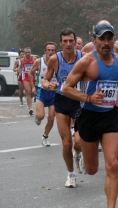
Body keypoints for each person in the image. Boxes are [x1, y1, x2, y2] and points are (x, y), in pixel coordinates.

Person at [62, 23, 118, 208]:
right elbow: (66, 89)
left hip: (110, 116)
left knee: (113, 165)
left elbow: (117, 83)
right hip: (89, 116)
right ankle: (82, 153)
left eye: (110, 38)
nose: (107, 43)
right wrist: (89, 98)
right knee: (92, 170)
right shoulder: (87, 61)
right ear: (95, 41)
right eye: (103, 39)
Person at [42, 28, 83, 188]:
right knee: (67, 143)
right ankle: (71, 174)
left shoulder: (83, 58)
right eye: (65, 41)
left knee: (78, 143)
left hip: (79, 101)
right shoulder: (55, 59)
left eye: (71, 41)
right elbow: (45, 80)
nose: (68, 44)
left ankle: (78, 153)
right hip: (61, 100)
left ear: (75, 42)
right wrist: (49, 85)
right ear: (60, 43)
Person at [29, 42, 58, 146]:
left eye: (52, 50)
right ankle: (38, 117)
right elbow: (30, 73)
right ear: (45, 51)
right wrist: (33, 87)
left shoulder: (58, 62)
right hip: (41, 91)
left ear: (55, 51)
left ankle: (45, 136)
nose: (50, 52)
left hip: (54, 93)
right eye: (48, 50)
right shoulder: (39, 62)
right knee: (41, 116)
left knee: (51, 117)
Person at [20, 47, 36, 115]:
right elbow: (20, 67)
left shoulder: (34, 59)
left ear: (30, 53)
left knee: (32, 93)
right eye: (26, 52)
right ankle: (30, 108)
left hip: (33, 77)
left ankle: (28, 99)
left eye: (28, 52)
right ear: (24, 53)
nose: (27, 54)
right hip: (25, 77)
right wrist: (19, 73)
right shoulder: (22, 60)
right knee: (28, 91)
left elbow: (37, 66)